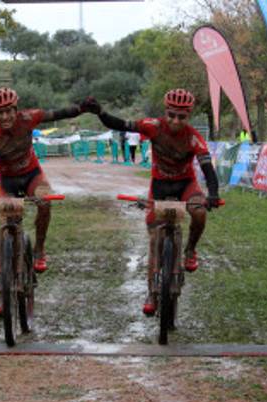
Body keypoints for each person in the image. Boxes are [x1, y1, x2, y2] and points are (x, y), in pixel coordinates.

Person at [83, 89, 222, 316]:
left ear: (189, 116)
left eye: (182, 117)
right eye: (171, 115)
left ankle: (190, 251)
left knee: (199, 212)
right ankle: (151, 292)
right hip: (159, 186)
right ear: (165, 112)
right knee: (154, 241)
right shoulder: (153, 126)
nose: (176, 121)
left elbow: (207, 168)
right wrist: (100, 113)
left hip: (186, 185)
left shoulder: (193, 137)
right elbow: (120, 124)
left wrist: (213, 194)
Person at [0, 87, 93, 317]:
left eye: (8, 111)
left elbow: (58, 113)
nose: (5, 117)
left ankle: (39, 249)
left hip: (32, 176)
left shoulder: (29, 119)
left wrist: (82, 108)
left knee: (44, 200)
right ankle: (2, 292)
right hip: (8, 183)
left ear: (15, 110)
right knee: (4, 229)